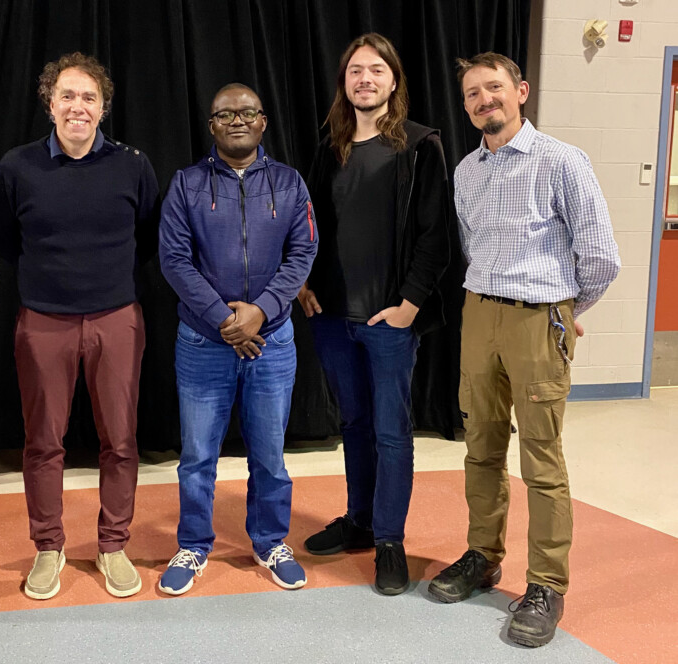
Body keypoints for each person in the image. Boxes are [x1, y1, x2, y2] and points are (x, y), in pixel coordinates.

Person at [427, 52, 620, 647]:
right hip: (479, 314)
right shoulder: (465, 171)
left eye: (494, 88)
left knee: (542, 460)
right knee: (480, 450)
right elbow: (470, 246)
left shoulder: (563, 161)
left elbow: (601, 258)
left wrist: (566, 312)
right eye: (473, 94)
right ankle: (483, 556)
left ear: (521, 91)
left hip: (540, 321)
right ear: (464, 106)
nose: (485, 100)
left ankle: (545, 586)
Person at [0, 52, 159, 600]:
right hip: (42, 322)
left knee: (122, 441)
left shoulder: (134, 165)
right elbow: (6, 244)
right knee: (42, 443)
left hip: (116, 319)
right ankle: (48, 547)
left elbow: (149, 240)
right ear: (50, 103)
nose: (77, 106)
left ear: (103, 106)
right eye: (67, 95)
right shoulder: (16, 168)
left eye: (88, 97)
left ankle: (113, 546)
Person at [298, 33, 451, 595]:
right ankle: (359, 521)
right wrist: (303, 284)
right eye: (355, 70)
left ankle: (390, 538)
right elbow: (305, 223)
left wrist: (409, 305)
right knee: (354, 425)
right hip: (333, 317)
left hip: (389, 320)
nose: (365, 78)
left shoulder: (419, 145)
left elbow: (437, 236)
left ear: (393, 80)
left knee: (392, 432)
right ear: (345, 82)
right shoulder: (328, 146)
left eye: (376, 70)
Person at [157, 83, 318, 595]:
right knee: (198, 456)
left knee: (270, 455)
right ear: (212, 125)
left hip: (272, 342)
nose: (236, 120)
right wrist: (225, 323)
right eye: (225, 114)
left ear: (262, 121)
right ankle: (193, 544)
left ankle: (270, 541)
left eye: (247, 112)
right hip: (203, 343)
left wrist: (261, 313)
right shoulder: (185, 184)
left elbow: (302, 255)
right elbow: (174, 260)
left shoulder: (291, 184)